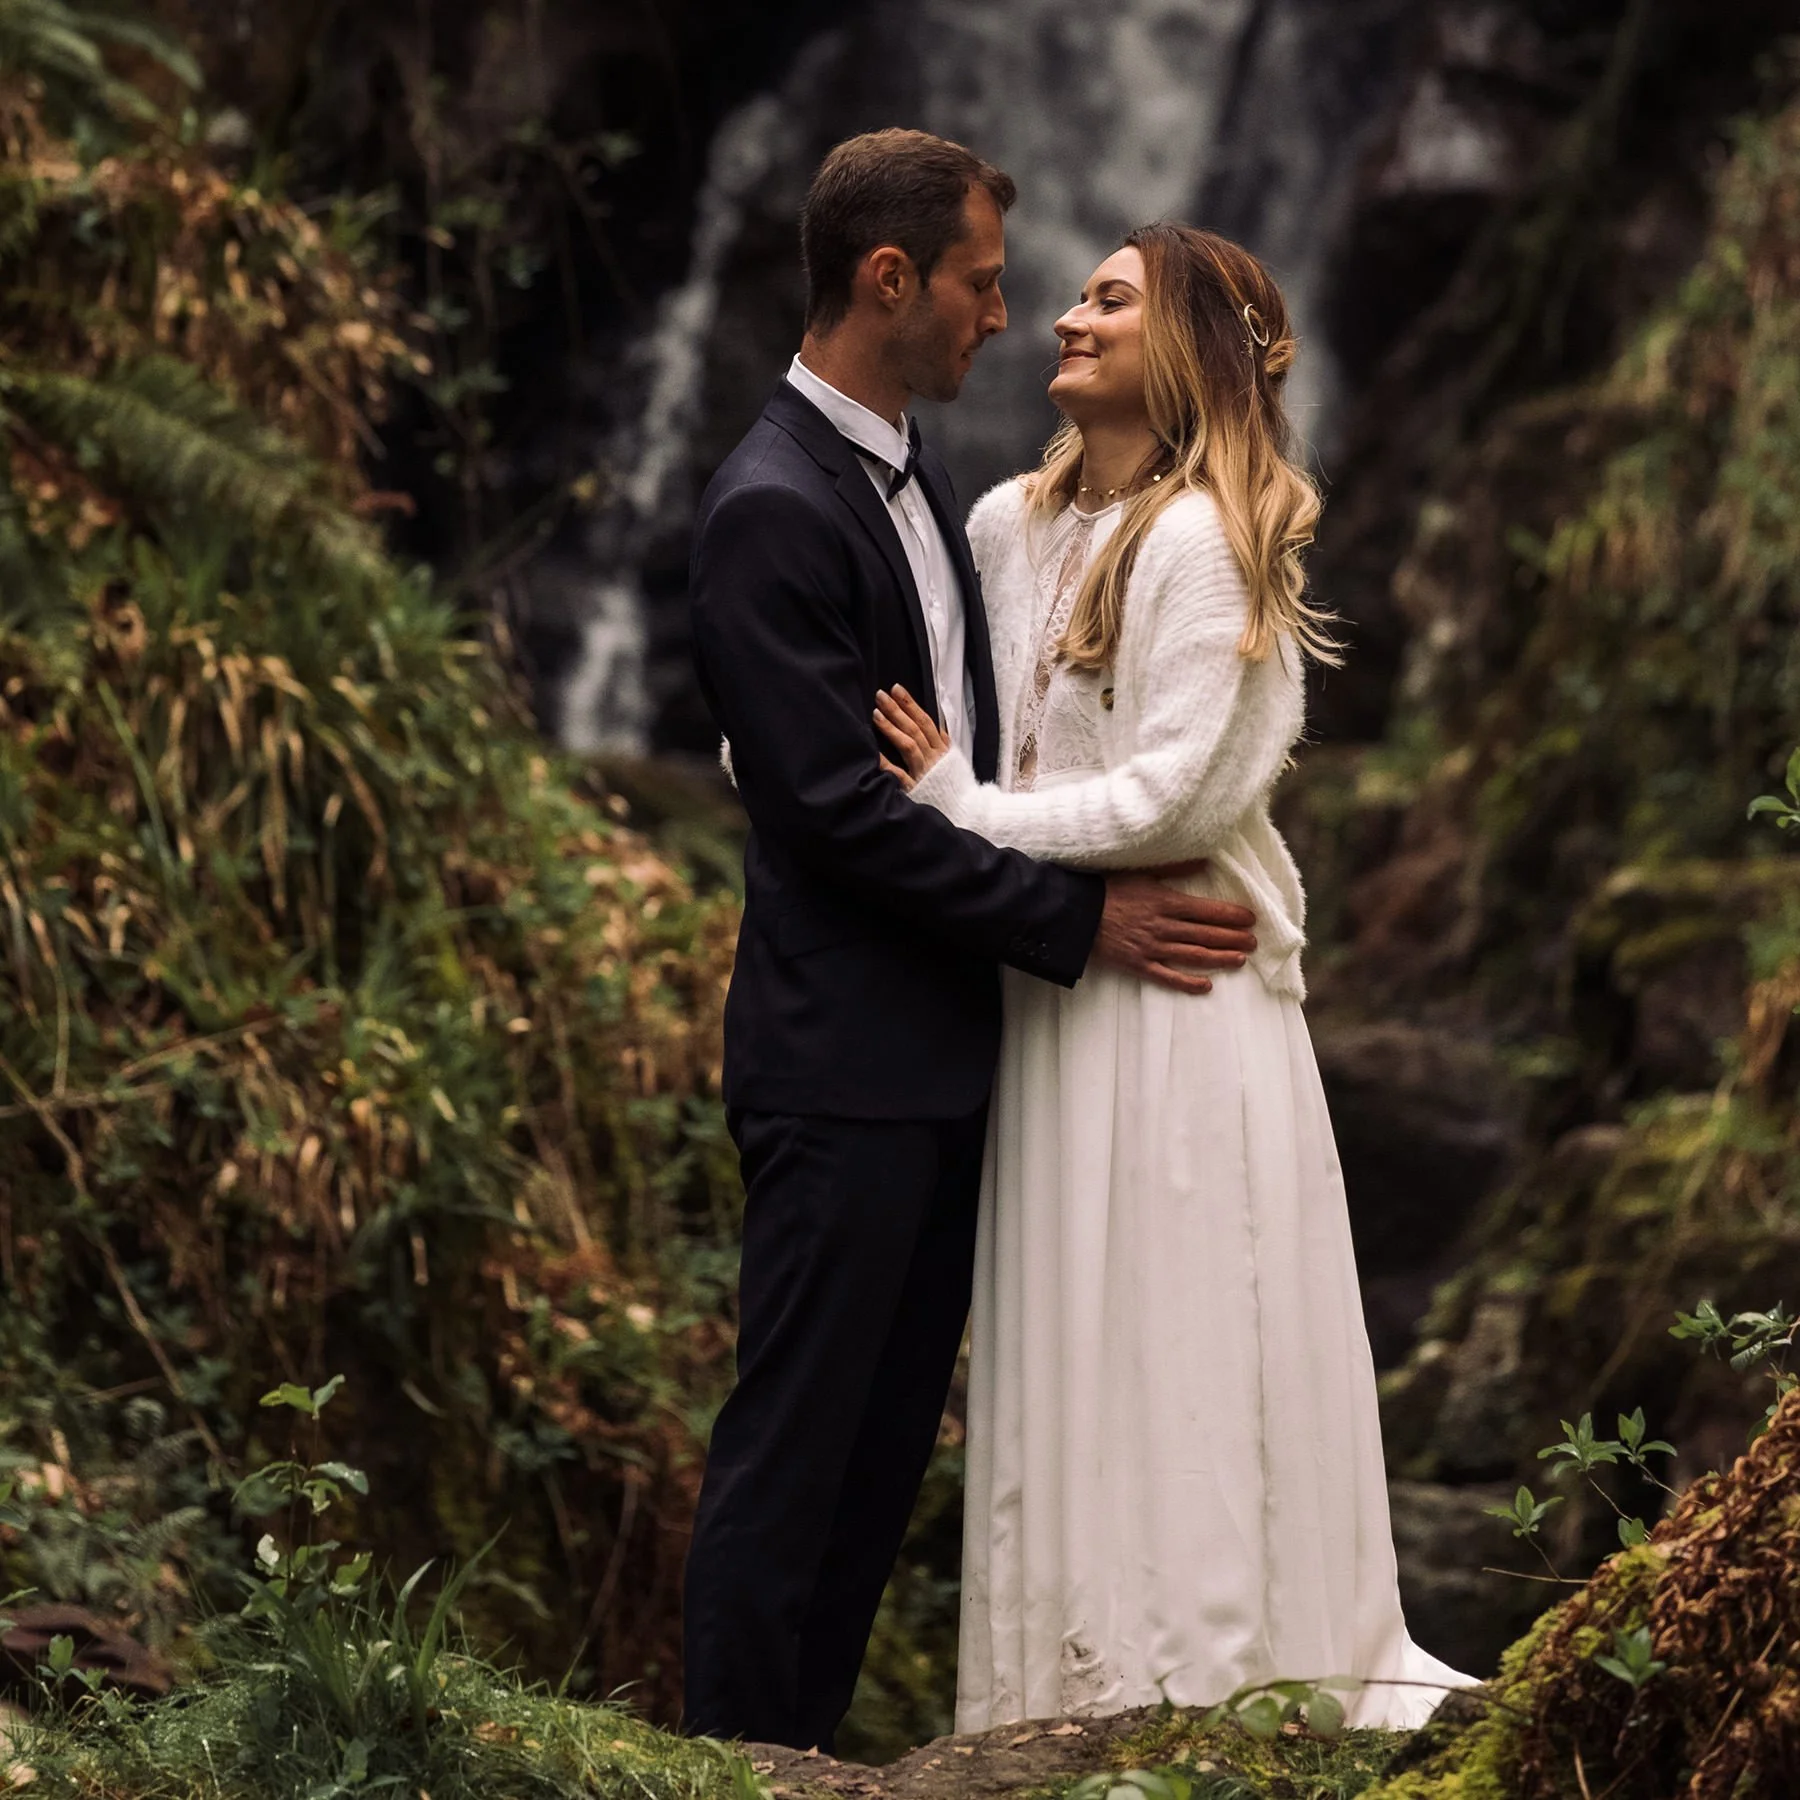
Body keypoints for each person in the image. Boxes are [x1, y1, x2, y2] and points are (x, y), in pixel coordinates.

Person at [682, 136, 1260, 1754]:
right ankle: (734, 1766)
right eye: (985, 283)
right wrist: (1077, 921)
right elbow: (838, 818)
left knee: (876, 1464)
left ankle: (805, 1755)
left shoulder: (934, 482)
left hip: (952, 1066)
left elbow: (967, 760)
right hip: (842, 1070)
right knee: (797, 1443)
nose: (1007, 318)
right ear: (890, 280)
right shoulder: (771, 508)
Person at [874, 222, 1477, 1731]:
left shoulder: (1211, 535)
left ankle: (1210, 1690)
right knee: (1066, 1331)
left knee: (1180, 1326)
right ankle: (1053, 1701)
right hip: (1058, 980)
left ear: (1191, 347)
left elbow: (1173, 802)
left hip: (1179, 993)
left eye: (1110, 301)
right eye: (1075, 293)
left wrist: (966, 819)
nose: (1065, 318)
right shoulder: (1012, 524)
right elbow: (947, 706)